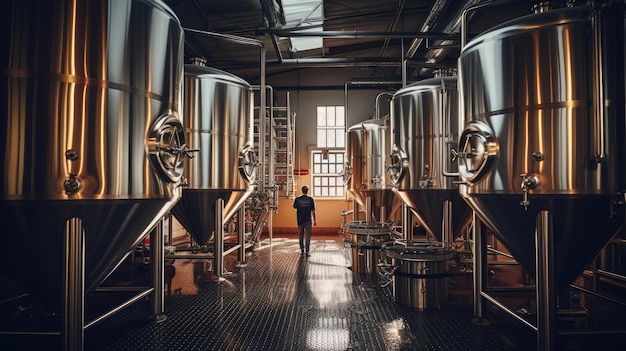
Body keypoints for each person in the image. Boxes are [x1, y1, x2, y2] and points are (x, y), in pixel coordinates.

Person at [293, 185, 317, 257]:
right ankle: (307, 251)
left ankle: (302, 251)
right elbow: (313, 211)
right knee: (308, 236)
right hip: (308, 220)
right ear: (308, 190)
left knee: (301, 235)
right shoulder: (310, 199)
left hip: (300, 220)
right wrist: (315, 220)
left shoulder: (297, 199)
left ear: (302, 190)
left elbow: (294, 206)